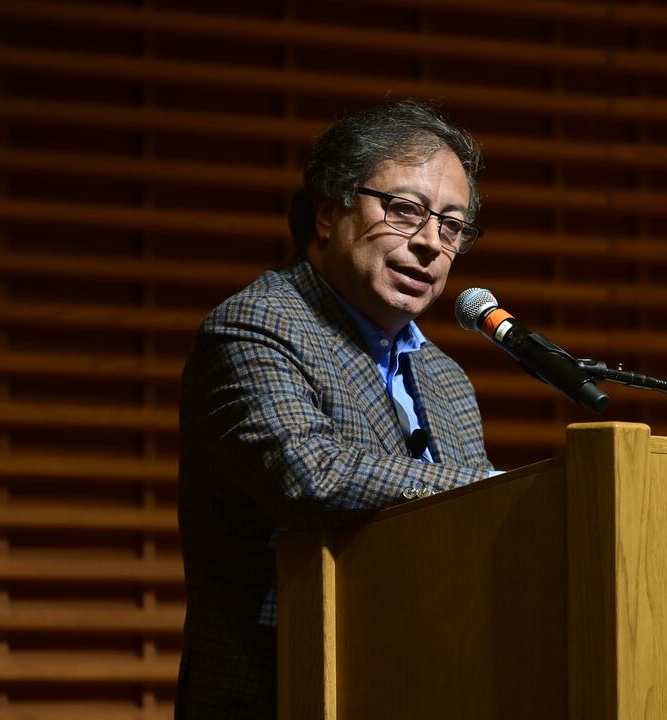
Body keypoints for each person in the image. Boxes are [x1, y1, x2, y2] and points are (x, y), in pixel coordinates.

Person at [175, 99, 494, 719]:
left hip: (429, 686)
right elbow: (310, 475)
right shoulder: (254, 327)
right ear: (328, 213)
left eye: (453, 226)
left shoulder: (447, 380)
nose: (431, 243)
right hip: (280, 692)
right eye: (406, 211)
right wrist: (488, 487)